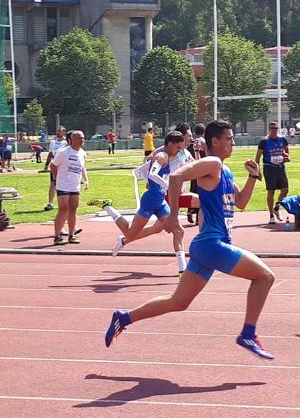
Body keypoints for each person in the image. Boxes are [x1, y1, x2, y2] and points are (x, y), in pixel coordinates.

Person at [103, 120, 276, 359]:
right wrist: (173, 216)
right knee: (265, 276)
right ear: (214, 141)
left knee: (178, 302)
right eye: (229, 138)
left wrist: (253, 177)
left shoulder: (224, 171)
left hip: (208, 247)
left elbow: (241, 202)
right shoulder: (212, 162)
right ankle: (248, 333)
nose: (233, 143)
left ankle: (123, 317)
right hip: (212, 244)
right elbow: (175, 177)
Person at [89, 131, 188, 276]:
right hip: (149, 202)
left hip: (160, 202)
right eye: (178, 147)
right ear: (170, 144)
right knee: (129, 233)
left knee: (178, 231)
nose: (179, 151)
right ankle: (107, 206)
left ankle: (182, 270)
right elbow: (153, 174)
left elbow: (147, 172)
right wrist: (168, 186)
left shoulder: (166, 156)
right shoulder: (162, 156)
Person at [50, 130, 88, 245]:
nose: (82, 140)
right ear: (71, 140)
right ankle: (57, 236)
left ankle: (72, 235)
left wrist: (86, 180)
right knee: (63, 209)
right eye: (79, 138)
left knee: (73, 209)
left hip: (75, 185)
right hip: (63, 185)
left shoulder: (82, 153)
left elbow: (82, 167)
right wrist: (57, 179)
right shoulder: (64, 152)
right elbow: (53, 165)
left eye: (83, 138)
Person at [255, 122, 290, 225]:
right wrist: (258, 172)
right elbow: (257, 157)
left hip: (280, 167)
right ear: (269, 129)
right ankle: (271, 215)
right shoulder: (264, 141)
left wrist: (287, 157)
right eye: (272, 128)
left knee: (285, 190)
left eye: (275, 128)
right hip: (269, 168)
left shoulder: (282, 139)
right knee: (271, 191)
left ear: (278, 129)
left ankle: (276, 207)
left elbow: (286, 151)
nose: (274, 130)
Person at [187, 123, 207, 224]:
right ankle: (199, 218)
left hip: (192, 169)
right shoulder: (203, 143)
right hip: (202, 169)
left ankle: (190, 210)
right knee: (201, 193)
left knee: (192, 190)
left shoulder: (190, 143)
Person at [43, 127, 67, 211]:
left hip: (63, 166)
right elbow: (50, 153)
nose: (58, 132)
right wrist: (46, 164)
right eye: (57, 131)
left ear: (64, 132)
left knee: (63, 184)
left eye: (60, 131)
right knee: (53, 184)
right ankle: (50, 203)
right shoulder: (53, 142)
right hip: (54, 165)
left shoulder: (66, 142)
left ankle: (64, 203)